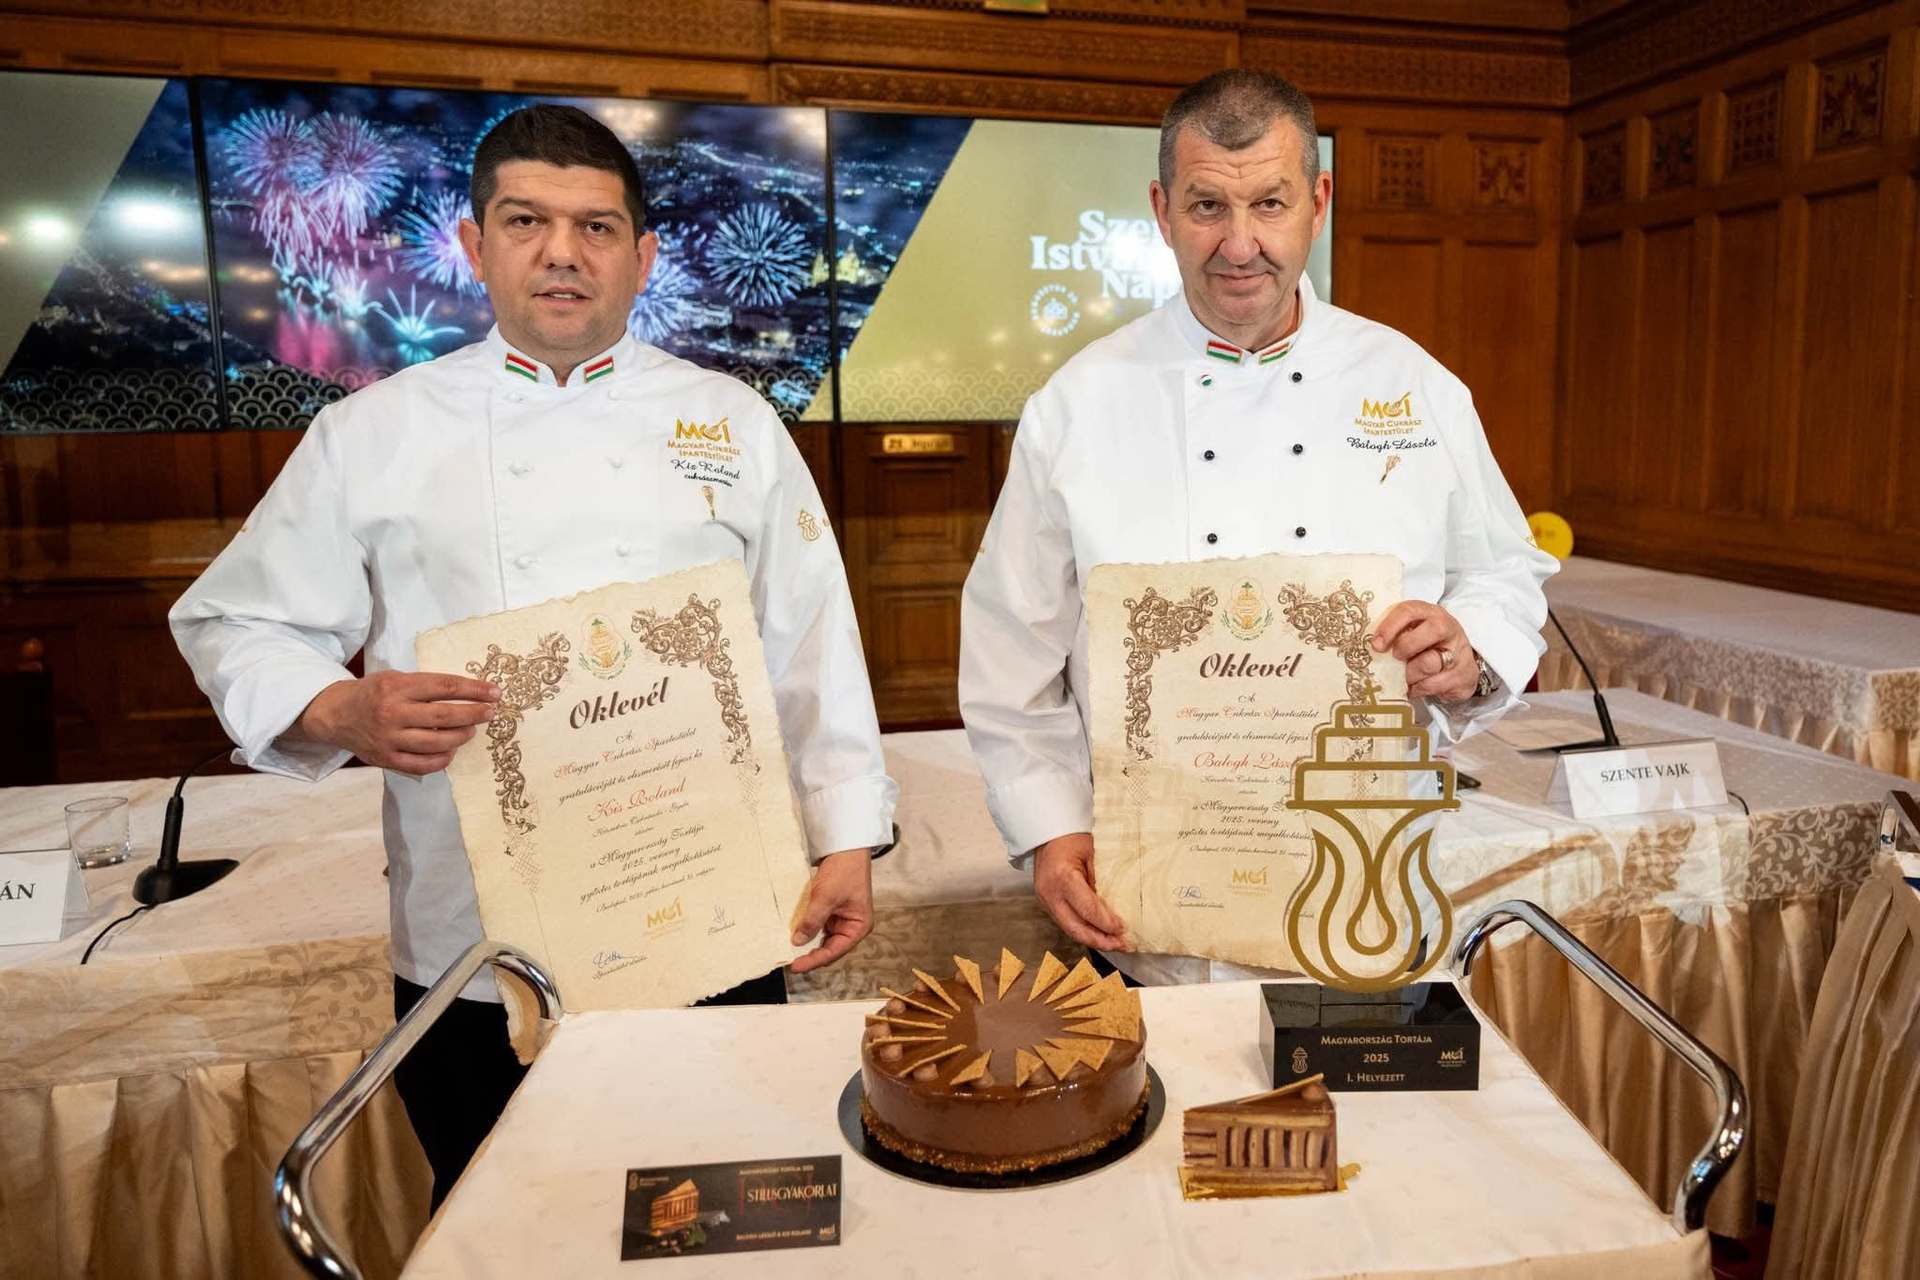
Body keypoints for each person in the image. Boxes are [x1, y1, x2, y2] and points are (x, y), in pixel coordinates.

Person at [170, 104, 895, 1204]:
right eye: (526, 222)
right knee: (499, 1218)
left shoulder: (734, 421)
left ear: (643, 257)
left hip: (709, 905)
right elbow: (236, 621)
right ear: (474, 244)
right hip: (475, 936)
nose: (562, 252)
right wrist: (339, 707)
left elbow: (810, 643)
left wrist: (845, 836)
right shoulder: (373, 433)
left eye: (596, 227)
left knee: (723, 1212)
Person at [959, 69, 1556, 987]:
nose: (1240, 245)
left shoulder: (1413, 384)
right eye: (1208, 206)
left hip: (1366, 887)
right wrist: (1049, 827)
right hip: (1152, 908)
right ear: (1162, 210)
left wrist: (1469, 649)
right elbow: (1011, 643)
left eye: (1269, 203)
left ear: (1319, 201)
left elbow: (1506, 569)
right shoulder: (1078, 404)